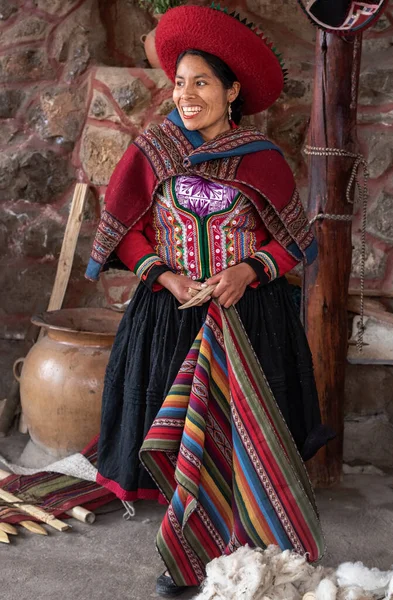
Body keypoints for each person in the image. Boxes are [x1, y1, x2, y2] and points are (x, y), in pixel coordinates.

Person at [85, 5, 334, 597]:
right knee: (177, 436)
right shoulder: (154, 149)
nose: (187, 95)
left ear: (232, 91)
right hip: (171, 316)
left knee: (239, 437)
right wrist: (165, 278)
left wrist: (249, 269)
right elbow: (127, 231)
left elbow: (296, 240)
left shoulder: (262, 159)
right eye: (179, 83)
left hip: (247, 319)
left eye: (202, 83)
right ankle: (185, 550)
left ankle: (240, 542)